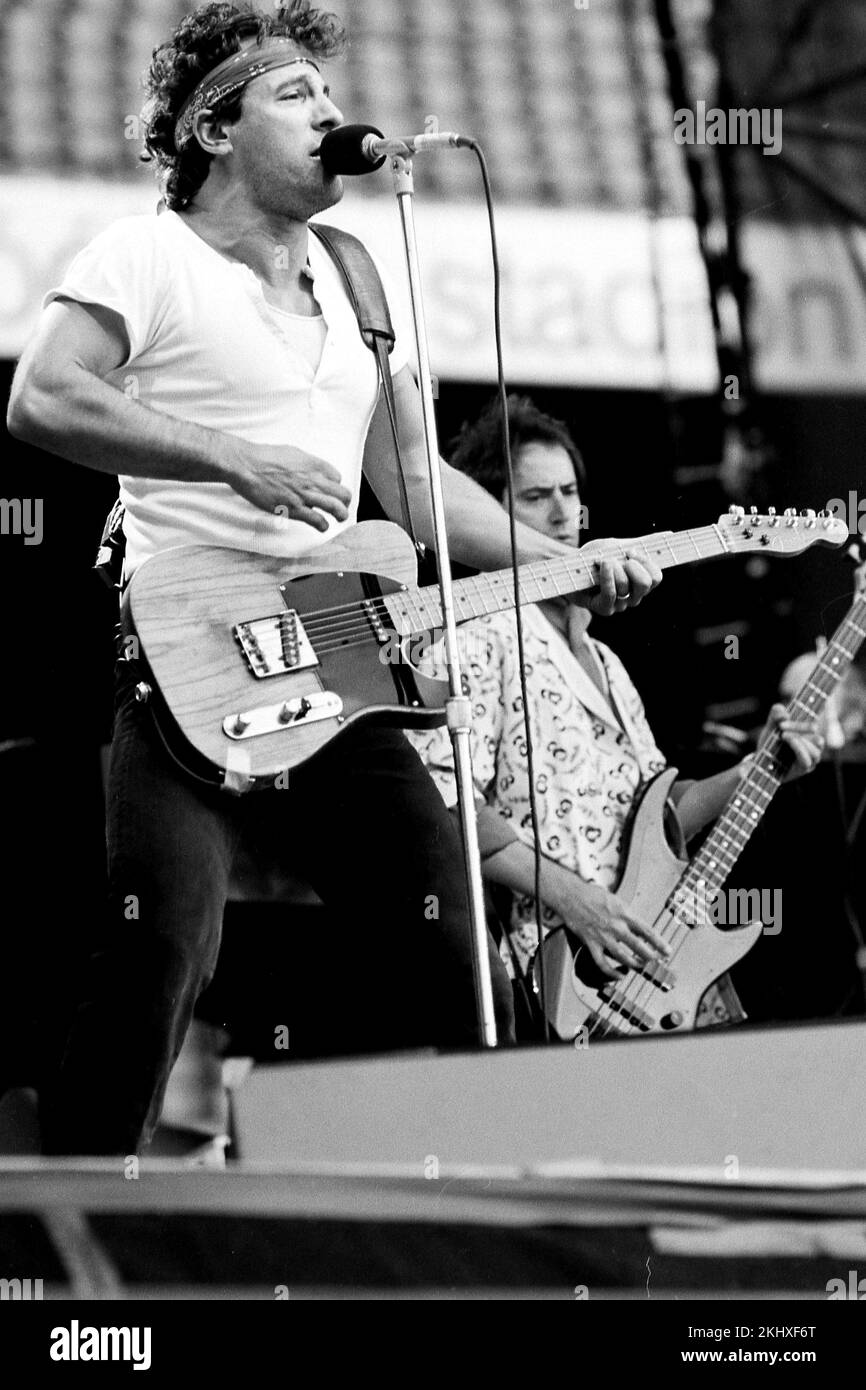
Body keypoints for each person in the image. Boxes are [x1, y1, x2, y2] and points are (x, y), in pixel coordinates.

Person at [6, 4, 662, 1154]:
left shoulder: (359, 275)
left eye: (324, 89)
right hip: (187, 654)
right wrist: (230, 458)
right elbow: (43, 397)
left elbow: (412, 480)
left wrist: (567, 561)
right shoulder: (144, 254)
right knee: (164, 942)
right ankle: (73, 1231)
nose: (329, 111)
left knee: (446, 934)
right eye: (293, 94)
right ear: (214, 129)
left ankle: (491, 1209)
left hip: (333, 650)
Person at [410, 395, 825, 1026]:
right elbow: (442, 801)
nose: (561, 512)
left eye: (570, 491)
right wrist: (577, 901)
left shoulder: (607, 661)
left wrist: (756, 769)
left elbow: (653, 816)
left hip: (642, 965)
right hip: (551, 970)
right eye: (534, 496)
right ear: (489, 518)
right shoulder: (479, 635)